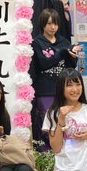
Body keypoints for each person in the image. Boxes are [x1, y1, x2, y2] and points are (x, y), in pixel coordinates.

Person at [30, 8, 81, 150]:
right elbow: (43, 64)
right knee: (47, 121)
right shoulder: (37, 42)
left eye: (56, 24)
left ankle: (65, 150)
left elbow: (71, 66)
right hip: (45, 89)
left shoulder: (63, 41)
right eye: (49, 24)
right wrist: (63, 53)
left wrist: (72, 55)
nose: (53, 27)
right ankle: (46, 153)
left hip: (63, 89)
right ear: (42, 24)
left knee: (65, 120)